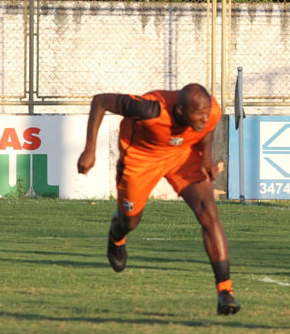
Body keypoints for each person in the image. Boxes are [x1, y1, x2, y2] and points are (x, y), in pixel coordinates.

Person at [77, 83, 241, 316]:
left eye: (206, 112)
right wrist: (90, 150)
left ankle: (225, 292)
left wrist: (206, 156)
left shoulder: (211, 109)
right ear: (181, 111)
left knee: (209, 214)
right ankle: (117, 237)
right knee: (130, 221)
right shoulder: (150, 109)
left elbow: (209, 126)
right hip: (141, 159)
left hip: (183, 155)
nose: (204, 117)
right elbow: (100, 101)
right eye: (198, 113)